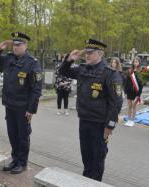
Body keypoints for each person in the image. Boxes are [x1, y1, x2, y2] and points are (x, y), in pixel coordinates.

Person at [59, 39, 123, 181]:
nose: (86, 56)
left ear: (100, 54)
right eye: (86, 53)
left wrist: (110, 126)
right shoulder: (83, 69)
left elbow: (116, 103)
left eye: (90, 53)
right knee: (86, 154)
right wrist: (69, 59)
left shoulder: (110, 74)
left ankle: (95, 182)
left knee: (98, 157)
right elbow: (63, 71)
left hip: (100, 123)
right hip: (84, 119)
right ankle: (86, 180)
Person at [0, 32, 42, 174]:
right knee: (12, 134)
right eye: (14, 45)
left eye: (18, 45)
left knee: (22, 136)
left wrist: (31, 110)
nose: (15, 48)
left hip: (23, 107)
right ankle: (15, 160)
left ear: (25, 45)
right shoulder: (9, 59)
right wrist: (0, 48)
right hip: (10, 105)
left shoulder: (32, 63)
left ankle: (22, 163)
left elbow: (36, 89)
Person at [123, 57, 143, 127]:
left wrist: (139, 94)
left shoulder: (141, 71)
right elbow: (126, 82)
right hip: (129, 91)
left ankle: (132, 120)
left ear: (139, 63)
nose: (135, 63)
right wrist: (125, 91)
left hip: (137, 91)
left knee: (134, 106)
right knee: (129, 106)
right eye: (134, 62)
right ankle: (129, 119)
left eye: (137, 62)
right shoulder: (130, 71)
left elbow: (141, 83)